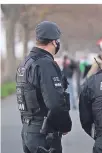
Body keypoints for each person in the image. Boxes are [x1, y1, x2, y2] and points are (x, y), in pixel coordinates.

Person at [16, 21, 72, 153]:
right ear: (54, 42)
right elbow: (55, 103)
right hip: (44, 134)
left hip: (28, 130)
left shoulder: (25, 63)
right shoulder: (45, 64)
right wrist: (65, 125)